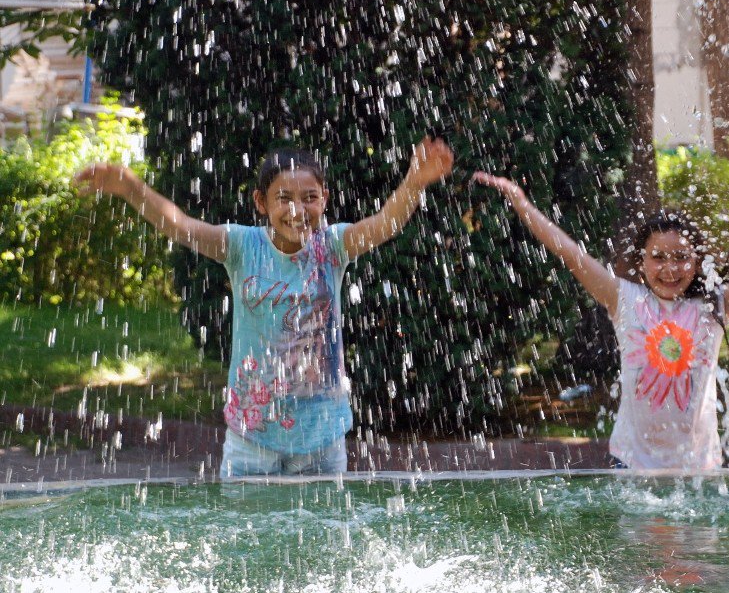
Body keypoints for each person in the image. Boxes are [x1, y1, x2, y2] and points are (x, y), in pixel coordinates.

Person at [74, 137, 453, 476]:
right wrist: (129, 187)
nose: (297, 210)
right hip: (252, 438)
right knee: (247, 543)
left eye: (309, 198)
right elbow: (181, 227)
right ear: (261, 202)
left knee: (322, 547)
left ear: (325, 198)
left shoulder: (332, 247)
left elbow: (384, 223)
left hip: (321, 437)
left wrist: (414, 182)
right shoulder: (242, 247)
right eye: (283, 199)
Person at [473, 171, 729, 471]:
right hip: (632, 463)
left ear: (697, 262)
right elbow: (569, 253)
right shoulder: (623, 300)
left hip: (699, 467)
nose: (670, 269)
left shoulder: (713, 309)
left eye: (681, 257)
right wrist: (523, 205)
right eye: (658, 257)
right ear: (641, 261)